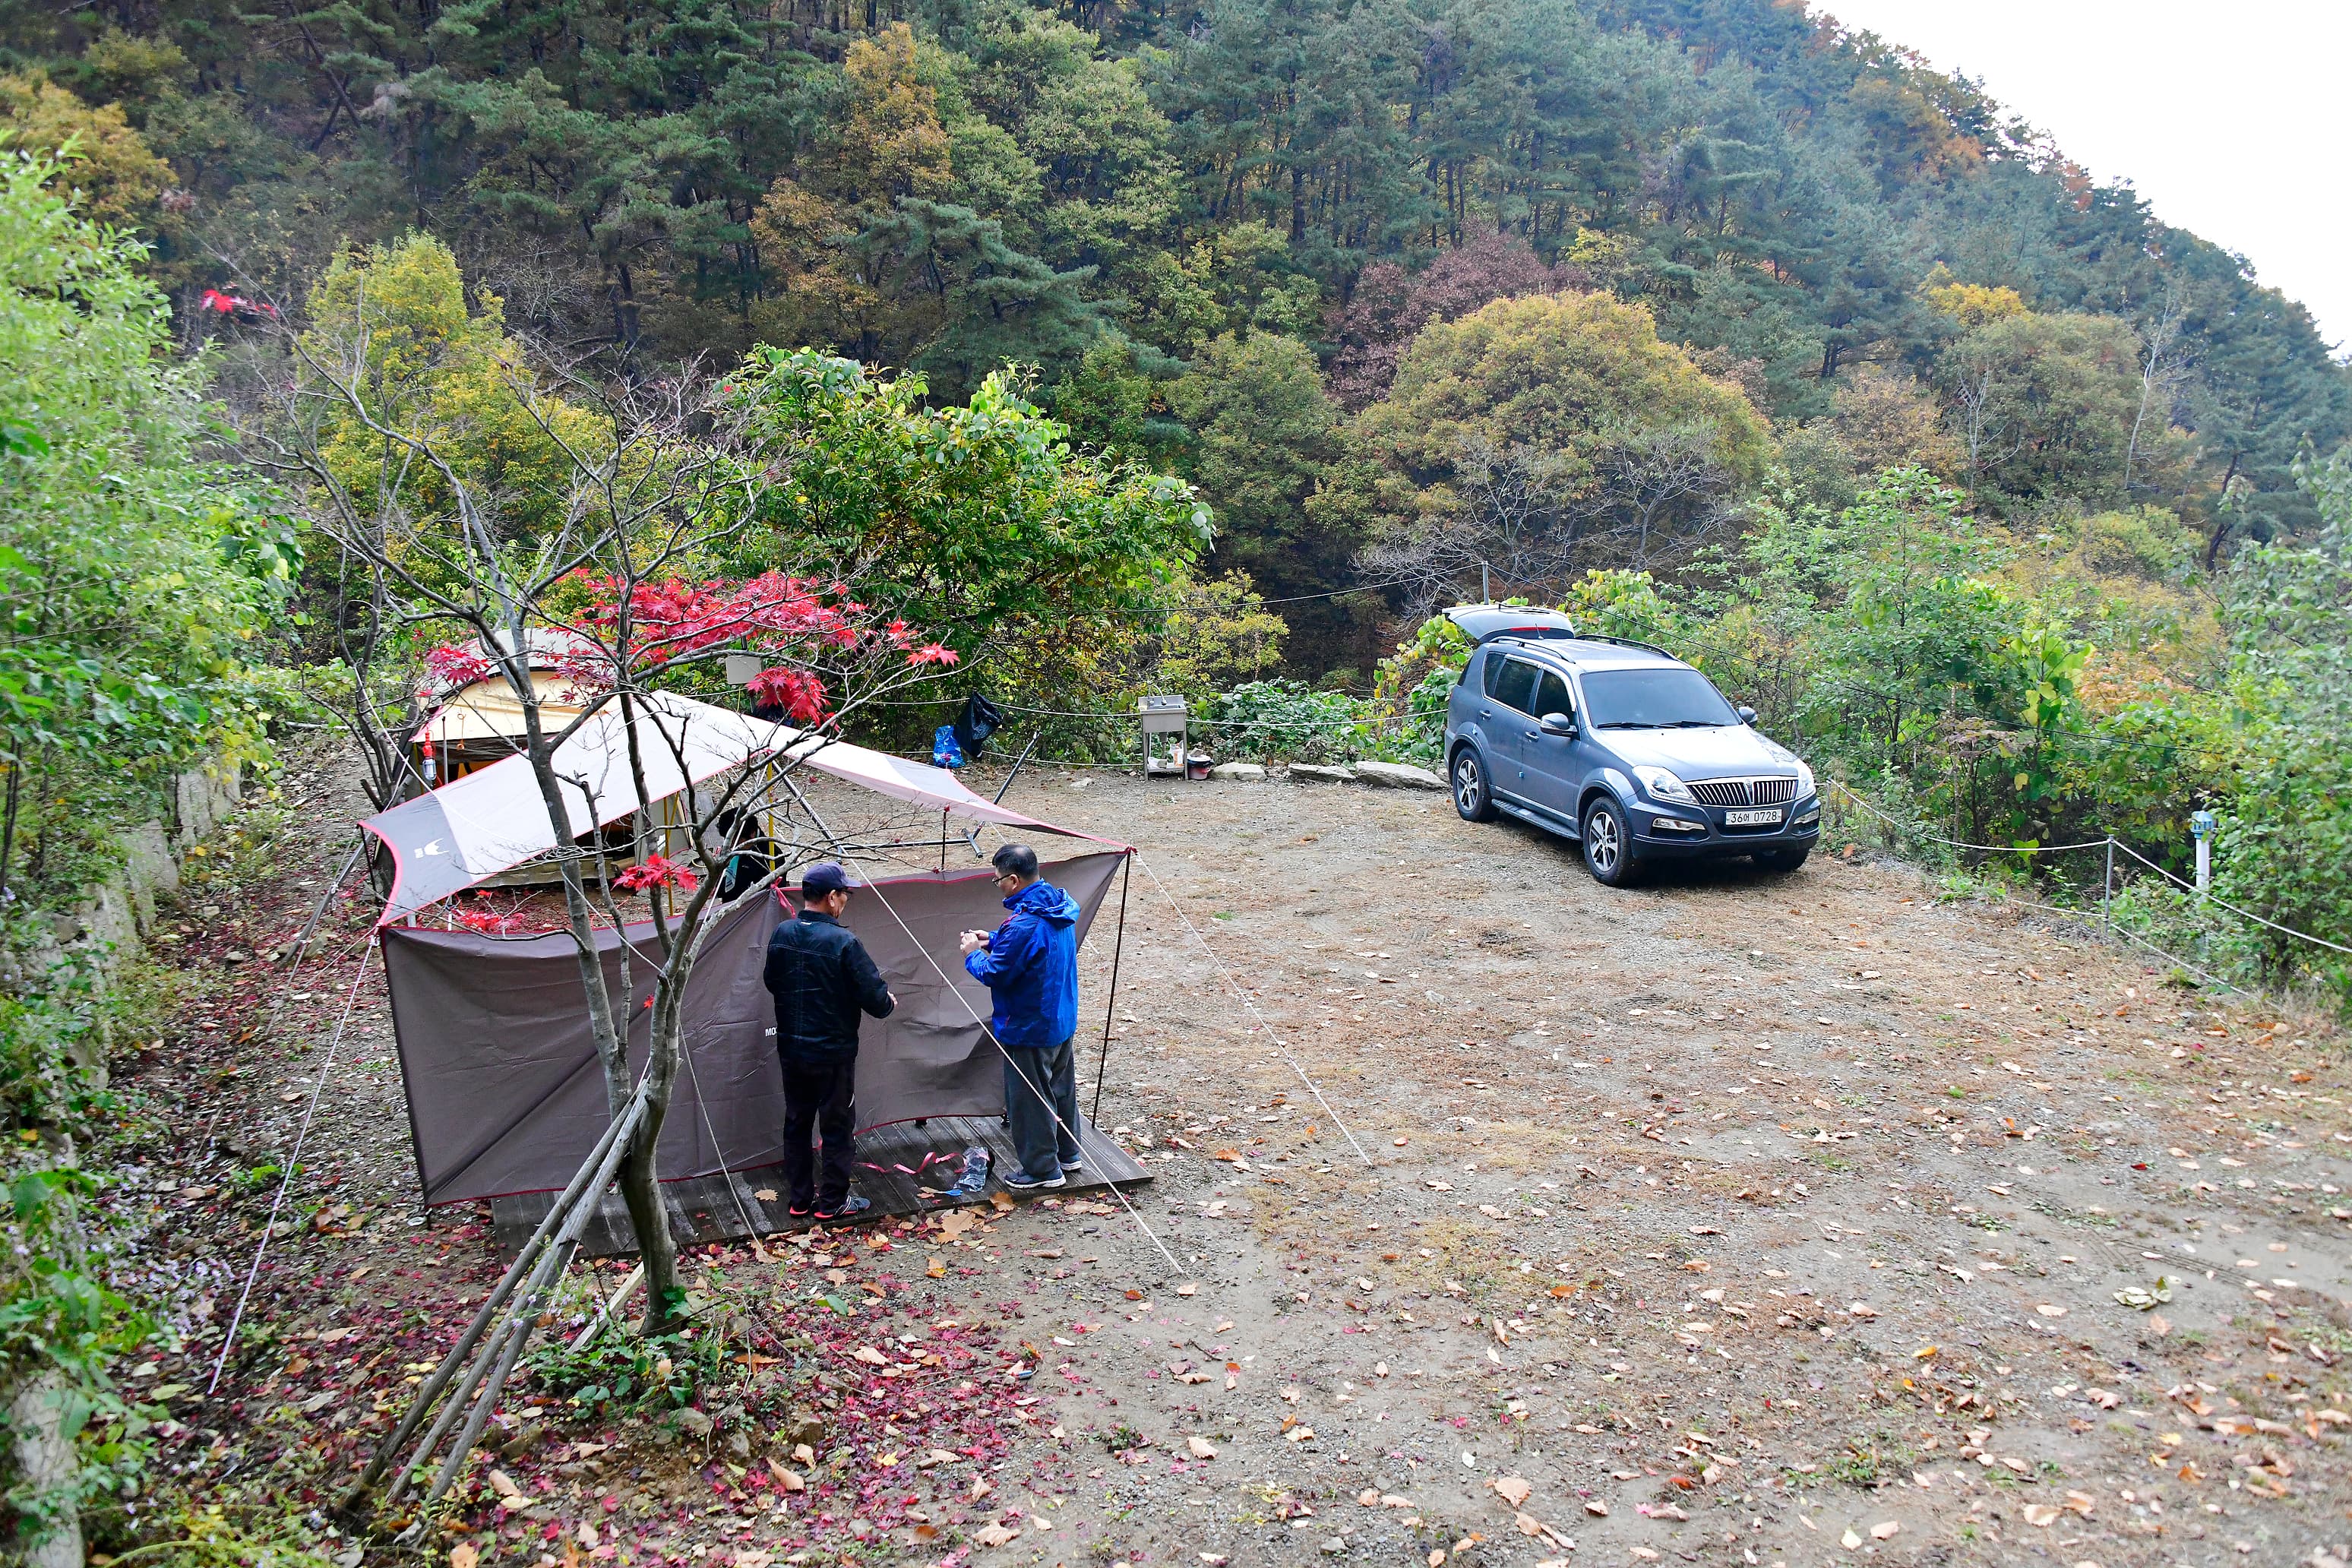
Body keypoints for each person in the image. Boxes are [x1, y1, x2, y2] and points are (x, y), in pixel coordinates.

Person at [763, 861, 894, 1220]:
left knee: (797, 1121)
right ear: (832, 898)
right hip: (833, 1053)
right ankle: (833, 1201)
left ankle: (800, 1199)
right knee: (836, 1126)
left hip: (791, 1047)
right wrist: (887, 1000)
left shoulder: (782, 934)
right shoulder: (844, 942)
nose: (846, 901)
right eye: (845, 895)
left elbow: (772, 982)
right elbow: (878, 1002)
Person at [959, 842, 1083, 1190]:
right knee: (1060, 1089)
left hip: (1029, 1025)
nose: (996, 885)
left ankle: (1043, 1170)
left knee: (1029, 1099)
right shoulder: (1055, 907)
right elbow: (1031, 947)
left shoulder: (1026, 923)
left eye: (997, 880)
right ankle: (1067, 1154)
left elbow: (997, 974)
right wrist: (995, 939)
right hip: (1060, 1018)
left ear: (1013, 880)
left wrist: (972, 954)